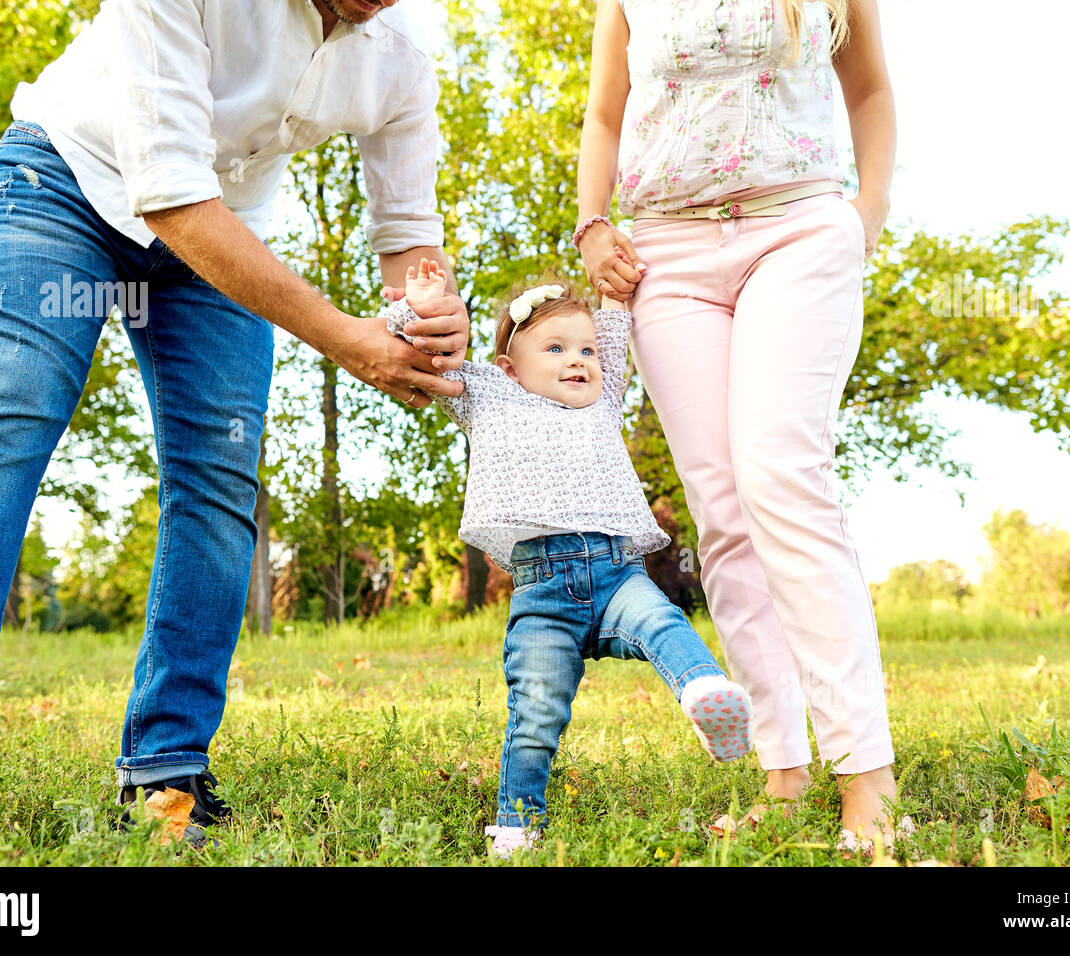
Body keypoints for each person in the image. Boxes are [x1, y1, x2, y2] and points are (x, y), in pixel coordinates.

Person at [0, 0, 468, 863]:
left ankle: (167, 768)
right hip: (63, 186)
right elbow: (169, 195)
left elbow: (409, 232)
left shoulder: (402, 57)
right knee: (9, 410)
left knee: (220, 472)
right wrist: (347, 338)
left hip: (215, 240)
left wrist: (425, 305)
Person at [575, 0, 908, 850]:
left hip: (796, 230)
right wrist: (592, 222)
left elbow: (868, 90)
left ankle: (866, 773)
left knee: (781, 480)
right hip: (667, 253)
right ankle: (784, 768)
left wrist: (864, 213)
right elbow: (605, 110)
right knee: (723, 513)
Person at [385, 260, 754, 858]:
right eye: (554, 348)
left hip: (616, 573)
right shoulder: (486, 394)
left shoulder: (603, 401)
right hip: (542, 591)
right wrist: (420, 306)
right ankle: (517, 826)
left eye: (585, 349)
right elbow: (420, 359)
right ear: (509, 366)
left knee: (664, 622)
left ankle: (705, 694)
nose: (577, 360)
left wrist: (611, 283)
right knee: (535, 712)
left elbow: (613, 324)